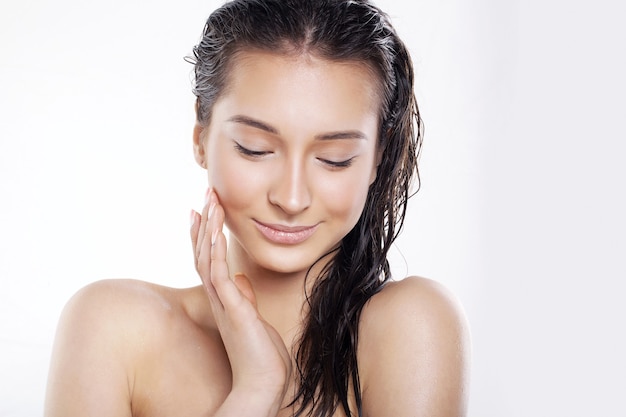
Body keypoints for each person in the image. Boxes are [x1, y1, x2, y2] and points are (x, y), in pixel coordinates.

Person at [44, 0, 470, 415]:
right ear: (201, 136)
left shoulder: (412, 327)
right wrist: (256, 389)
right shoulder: (111, 330)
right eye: (256, 149)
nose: (291, 198)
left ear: (377, 155)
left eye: (335, 157)